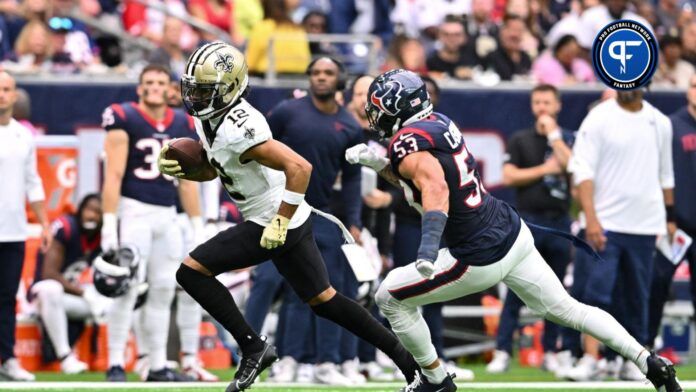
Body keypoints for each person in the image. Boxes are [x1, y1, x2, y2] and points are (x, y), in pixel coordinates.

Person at [345, 68, 682, 392]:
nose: (374, 117)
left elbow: (435, 188)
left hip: (477, 254)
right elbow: (418, 177)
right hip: (512, 233)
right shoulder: (438, 123)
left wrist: (428, 246)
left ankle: (435, 380)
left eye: (378, 109)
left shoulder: (406, 144)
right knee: (568, 309)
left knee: (389, 296)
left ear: (398, 108)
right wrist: (377, 163)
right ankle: (648, 361)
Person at [161, 41, 420, 392]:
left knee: (191, 272)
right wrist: (187, 170)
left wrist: (280, 219)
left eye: (205, 91)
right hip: (281, 217)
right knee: (325, 301)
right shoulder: (209, 119)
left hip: (272, 216)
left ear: (230, 88)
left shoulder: (241, 126)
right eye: (194, 89)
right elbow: (218, 168)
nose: (196, 97)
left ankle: (253, 347)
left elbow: (300, 167)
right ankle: (411, 364)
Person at [100, 63, 205, 382]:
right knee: (127, 289)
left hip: (166, 214)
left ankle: (158, 364)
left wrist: (197, 224)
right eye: (149, 82)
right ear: (140, 87)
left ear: (170, 87)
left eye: (161, 81)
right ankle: (115, 362)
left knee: (163, 289)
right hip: (134, 210)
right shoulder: (123, 115)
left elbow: (187, 181)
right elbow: (114, 173)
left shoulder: (181, 121)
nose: (155, 86)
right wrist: (109, 221)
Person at [266, 57, 364, 386]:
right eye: (316, 73)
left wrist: (353, 222)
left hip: (322, 213)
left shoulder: (349, 127)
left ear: (341, 81)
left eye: (328, 73)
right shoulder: (286, 112)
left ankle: (327, 362)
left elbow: (351, 181)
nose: (321, 78)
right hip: (280, 211)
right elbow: (256, 150)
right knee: (295, 291)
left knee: (331, 292)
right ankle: (289, 361)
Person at [565, 89, 675, 382]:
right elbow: (582, 172)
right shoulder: (598, 117)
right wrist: (592, 219)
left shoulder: (660, 122)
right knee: (595, 295)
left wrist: (669, 220)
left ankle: (634, 362)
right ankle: (590, 358)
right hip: (606, 224)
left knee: (637, 297)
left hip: (645, 226)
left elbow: (666, 176)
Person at [487, 84, 574, 374]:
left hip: (560, 222)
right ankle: (502, 350)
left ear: (557, 105)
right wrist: (544, 170)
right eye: (537, 102)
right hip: (529, 220)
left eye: (547, 102)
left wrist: (553, 135)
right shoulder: (520, 139)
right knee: (516, 287)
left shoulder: (568, 138)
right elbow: (509, 176)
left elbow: (572, 166)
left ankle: (551, 350)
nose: (541, 108)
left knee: (556, 291)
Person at [0, 71, 50, 382]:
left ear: (15, 95)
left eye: (6, 89)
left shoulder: (24, 136)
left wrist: (44, 224)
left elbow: (33, 183)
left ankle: (7, 359)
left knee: (6, 299)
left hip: (13, 231)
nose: (2, 94)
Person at [31, 194, 106, 374]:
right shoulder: (66, 227)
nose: (92, 216)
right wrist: (83, 294)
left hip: (69, 297)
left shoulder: (101, 237)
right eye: (89, 210)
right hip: (41, 296)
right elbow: (49, 274)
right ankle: (66, 357)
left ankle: (125, 359)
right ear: (80, 210)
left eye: (98, 212)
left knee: (114, 302)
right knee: (51, 289)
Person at [648, 74, 696, 349]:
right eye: (693, 86)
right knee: (656, 284)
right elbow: (659, 174)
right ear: (686, 91)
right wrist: (665, 216)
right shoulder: (671, 126)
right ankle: (646, 346)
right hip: (674, 225)